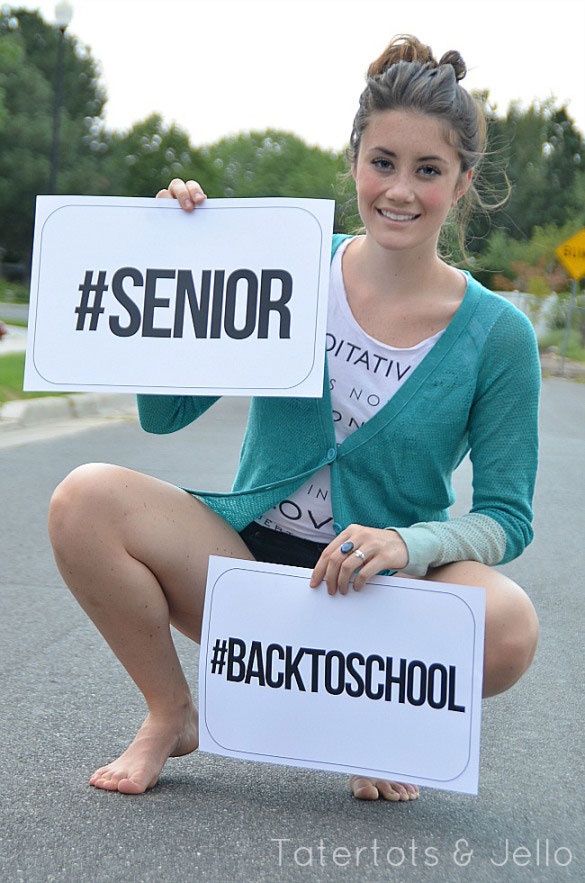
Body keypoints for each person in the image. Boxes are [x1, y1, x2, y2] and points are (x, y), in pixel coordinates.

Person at [48, 35, 540, 801]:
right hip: (244, 577)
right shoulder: (287, 266)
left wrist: (407, 544)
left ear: (463, 181)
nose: (399, 190)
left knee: (509, 623)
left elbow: (506, 517)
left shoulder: (496, 334)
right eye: (382, 162)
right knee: (83, 496)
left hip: (379, 595)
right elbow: (165, 414)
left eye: (428, 170)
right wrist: (179, 267)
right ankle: (170, 711)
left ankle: (373, 717)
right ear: (353, 162)